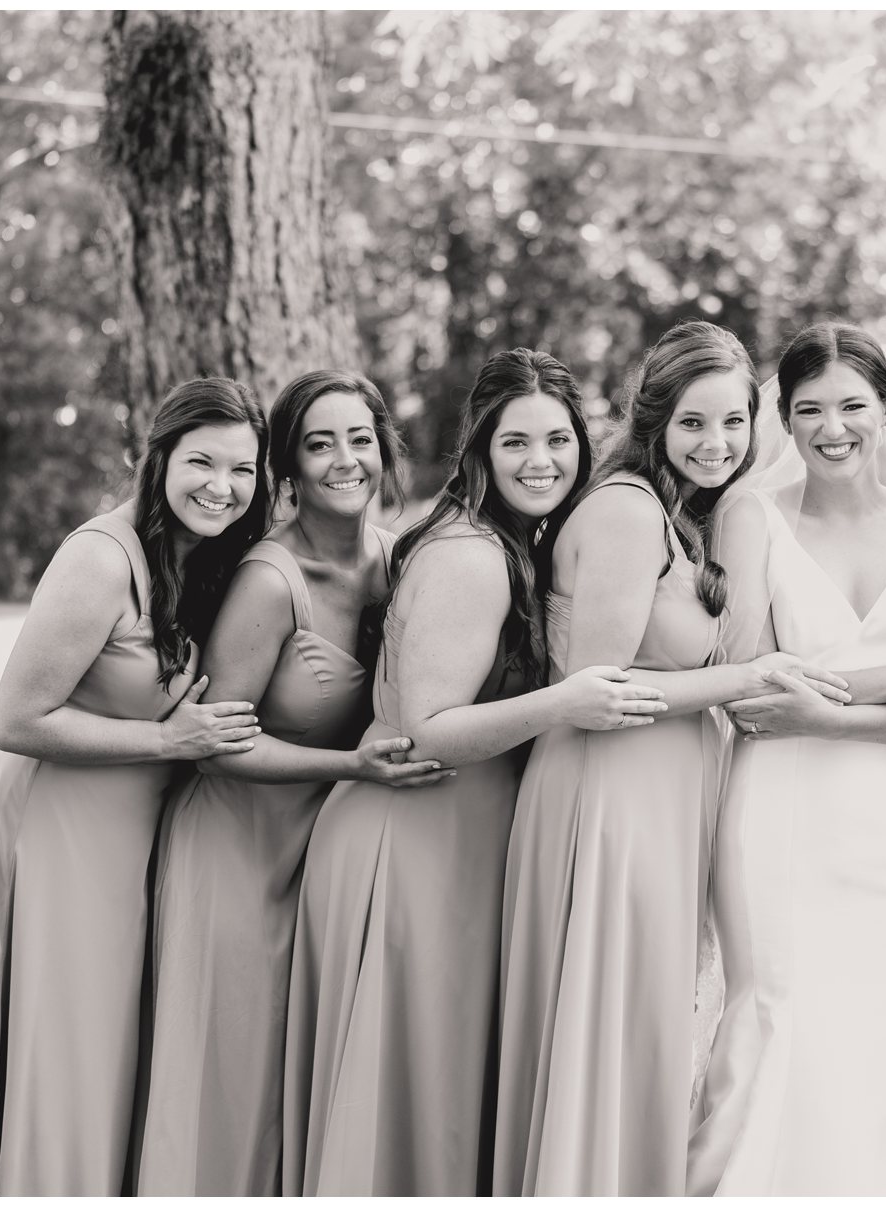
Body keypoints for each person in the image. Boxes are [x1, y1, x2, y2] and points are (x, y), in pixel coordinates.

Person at [281, 350, 664, 1195]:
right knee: (402, 1115)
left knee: (441, 1109)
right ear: (481, 452)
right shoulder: (472, 555)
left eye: (558, 440)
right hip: (409, 847)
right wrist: (566, 701)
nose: (541, 462)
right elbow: (430, 730)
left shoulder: (516, 542)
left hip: (455, 844)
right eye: (515, 442)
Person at [494, 321, 846, 1194]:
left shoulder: (684, 519)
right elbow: (597, 685)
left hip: (661, 793)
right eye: (694, 423)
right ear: (654, 420)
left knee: (644, 1028)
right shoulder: (624, 508)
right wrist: (748, 677)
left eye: (734, 423)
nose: (717, 444)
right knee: (606, 1025)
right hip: (610, 797)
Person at [0, 378, 269, 1195]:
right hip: (58, 825)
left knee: (111, 1044)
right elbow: (15, 717)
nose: (221, 485)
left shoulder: (204, 562)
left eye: (244, 469)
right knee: (63, 1042)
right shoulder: (101, 556)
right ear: (158, 459)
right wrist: (164, 739)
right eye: (201, 462)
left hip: (129, 834)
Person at [688, 322, 886, 1195]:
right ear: (784, 420)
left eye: (854, 406)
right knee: (778, 1008)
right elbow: (744, 693)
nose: (834, 428)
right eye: (810, 409)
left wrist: (822, 710)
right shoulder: (751, 516)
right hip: (779, 817)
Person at [134, 370, 450, 1194]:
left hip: (318, 864)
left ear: (385, 447)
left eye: (359, 439)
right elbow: (213, 745)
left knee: (287, 1092)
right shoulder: (272, 581)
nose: (345, 460)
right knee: (223, 1092)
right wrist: (350, 766)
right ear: (288, 467)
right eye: (319, 444)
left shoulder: (398, 559)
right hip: (233, 854)